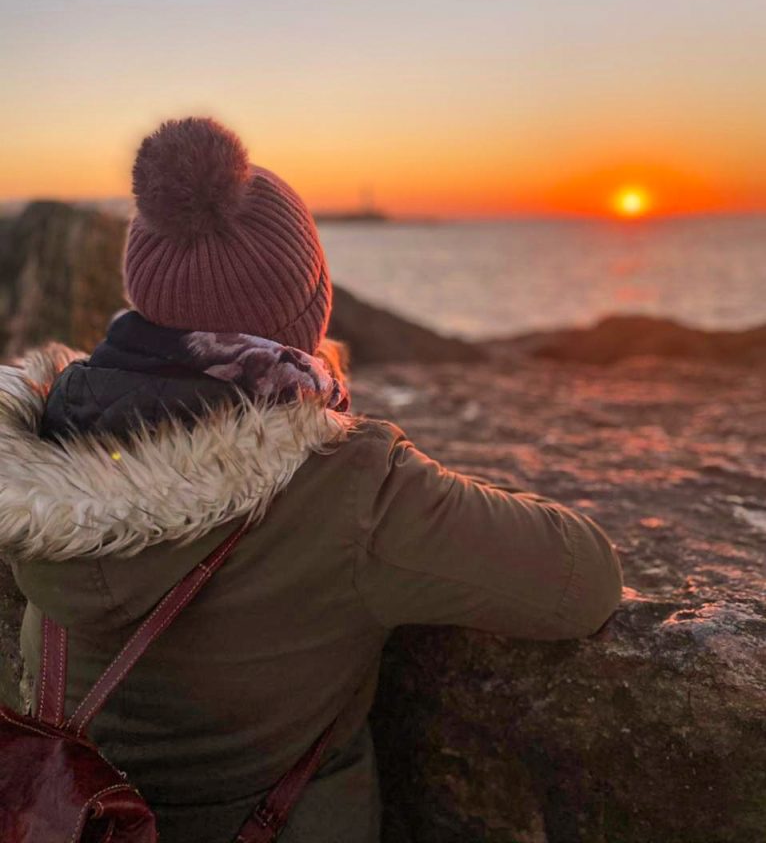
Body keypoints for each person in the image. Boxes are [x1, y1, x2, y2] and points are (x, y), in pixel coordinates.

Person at [1, 118, 622, 843]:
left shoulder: (47, 429)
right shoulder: (352, 487)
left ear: (142, 291)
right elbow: (584, 578)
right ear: (310, 304)